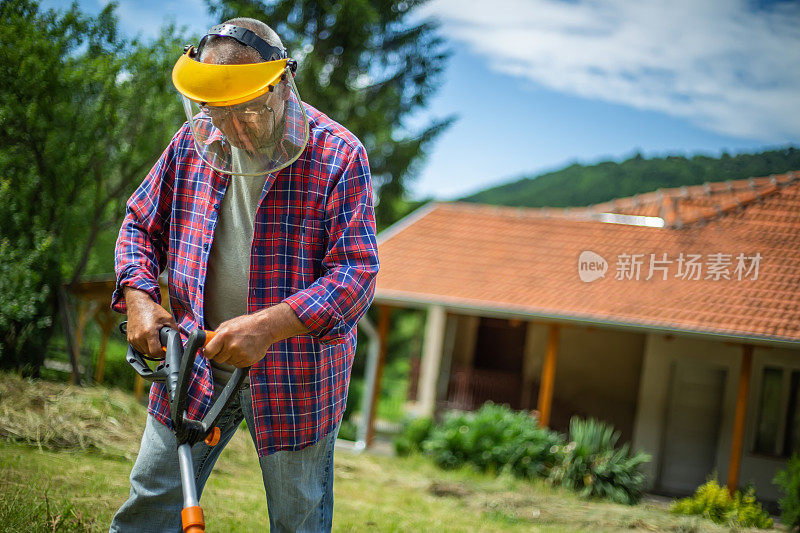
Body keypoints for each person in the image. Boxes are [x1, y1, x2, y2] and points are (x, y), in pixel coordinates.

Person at [109, 17, 379, 533]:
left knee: (298, 519)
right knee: (151, 503)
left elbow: (356, 274)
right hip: (191, 360)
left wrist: (269, 326)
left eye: (247, 111)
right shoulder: (194, 140)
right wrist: (140, 295)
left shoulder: (339, 155)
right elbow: (140, 222)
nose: (229, 129)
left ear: (280, 85)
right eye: (216, 112)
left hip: (296, 374)